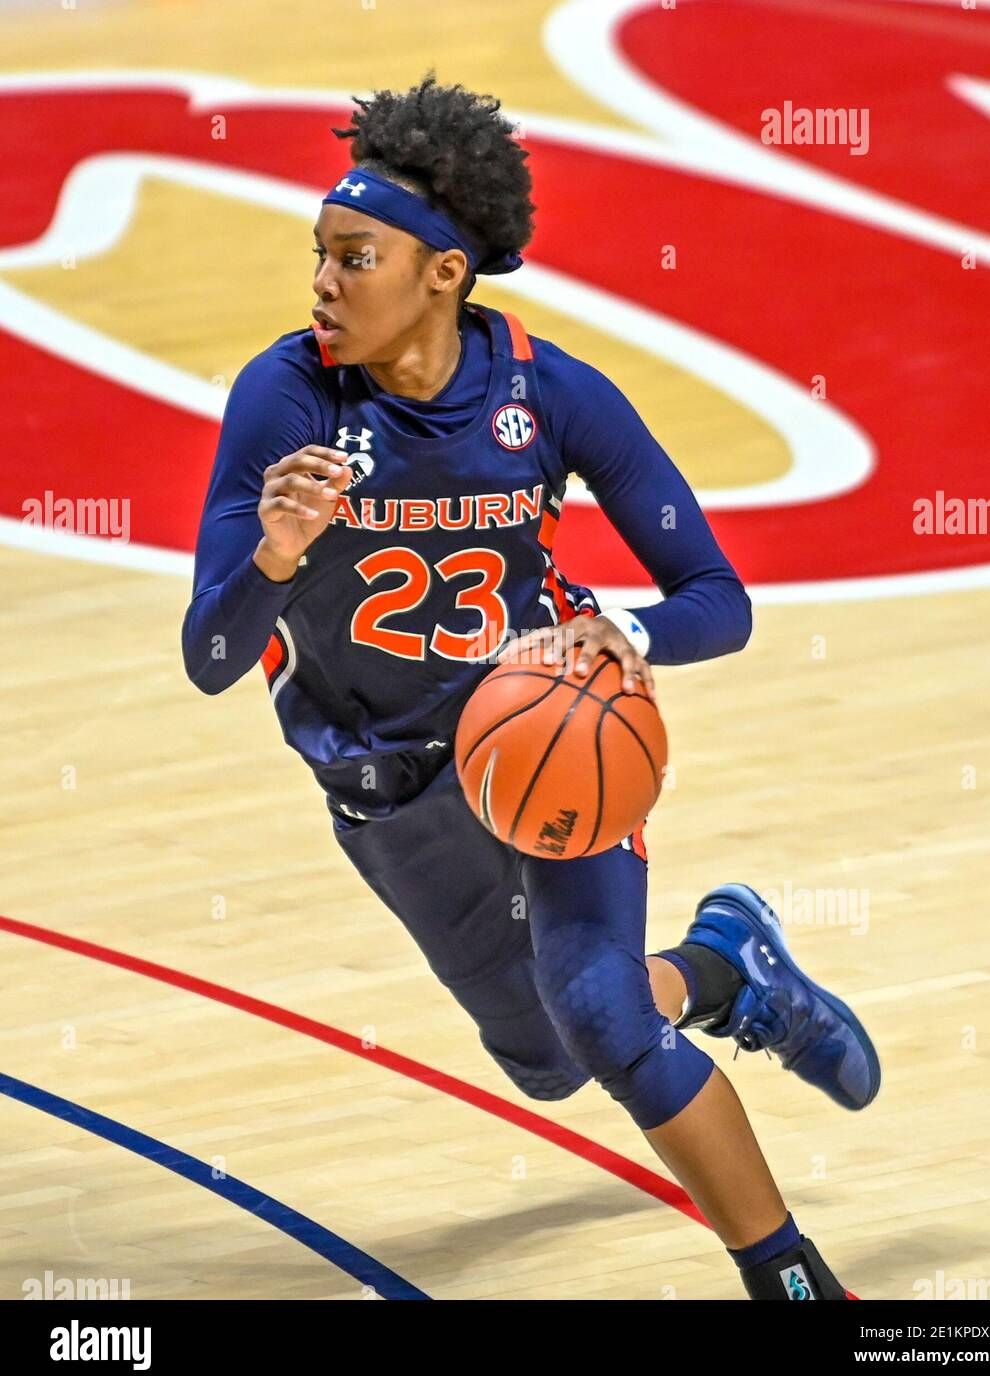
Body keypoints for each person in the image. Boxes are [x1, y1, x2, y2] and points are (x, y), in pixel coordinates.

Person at [182, 75, 880, 1301]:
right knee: (553, 1062)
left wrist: (620, 631)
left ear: (444, 271)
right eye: (320, 255)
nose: (323, 282)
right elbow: (211, 660)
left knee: (604, 1018)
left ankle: (794, 1280)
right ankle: (724, 966)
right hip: (385, 792)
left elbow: (720, 596)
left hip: (538, 738)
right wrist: (272, 559)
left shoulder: (546, 396)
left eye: (356, 256)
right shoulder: (283, 397)